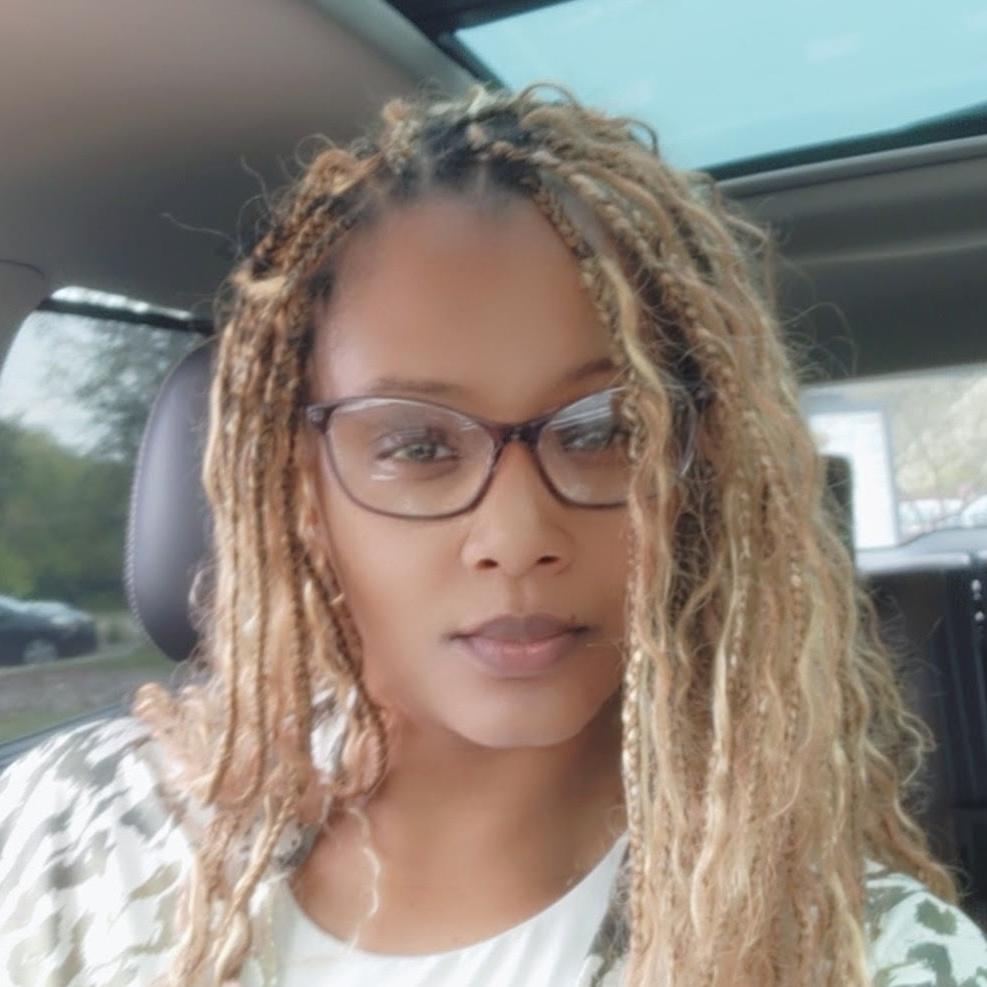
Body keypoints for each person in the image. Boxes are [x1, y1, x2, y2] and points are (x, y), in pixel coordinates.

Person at [1, 84, 985, 987]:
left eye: (605, 432)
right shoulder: (68, 834)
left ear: (700, 478)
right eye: (418, 445)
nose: (516, 538)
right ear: (299, 489)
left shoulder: (864, 954)